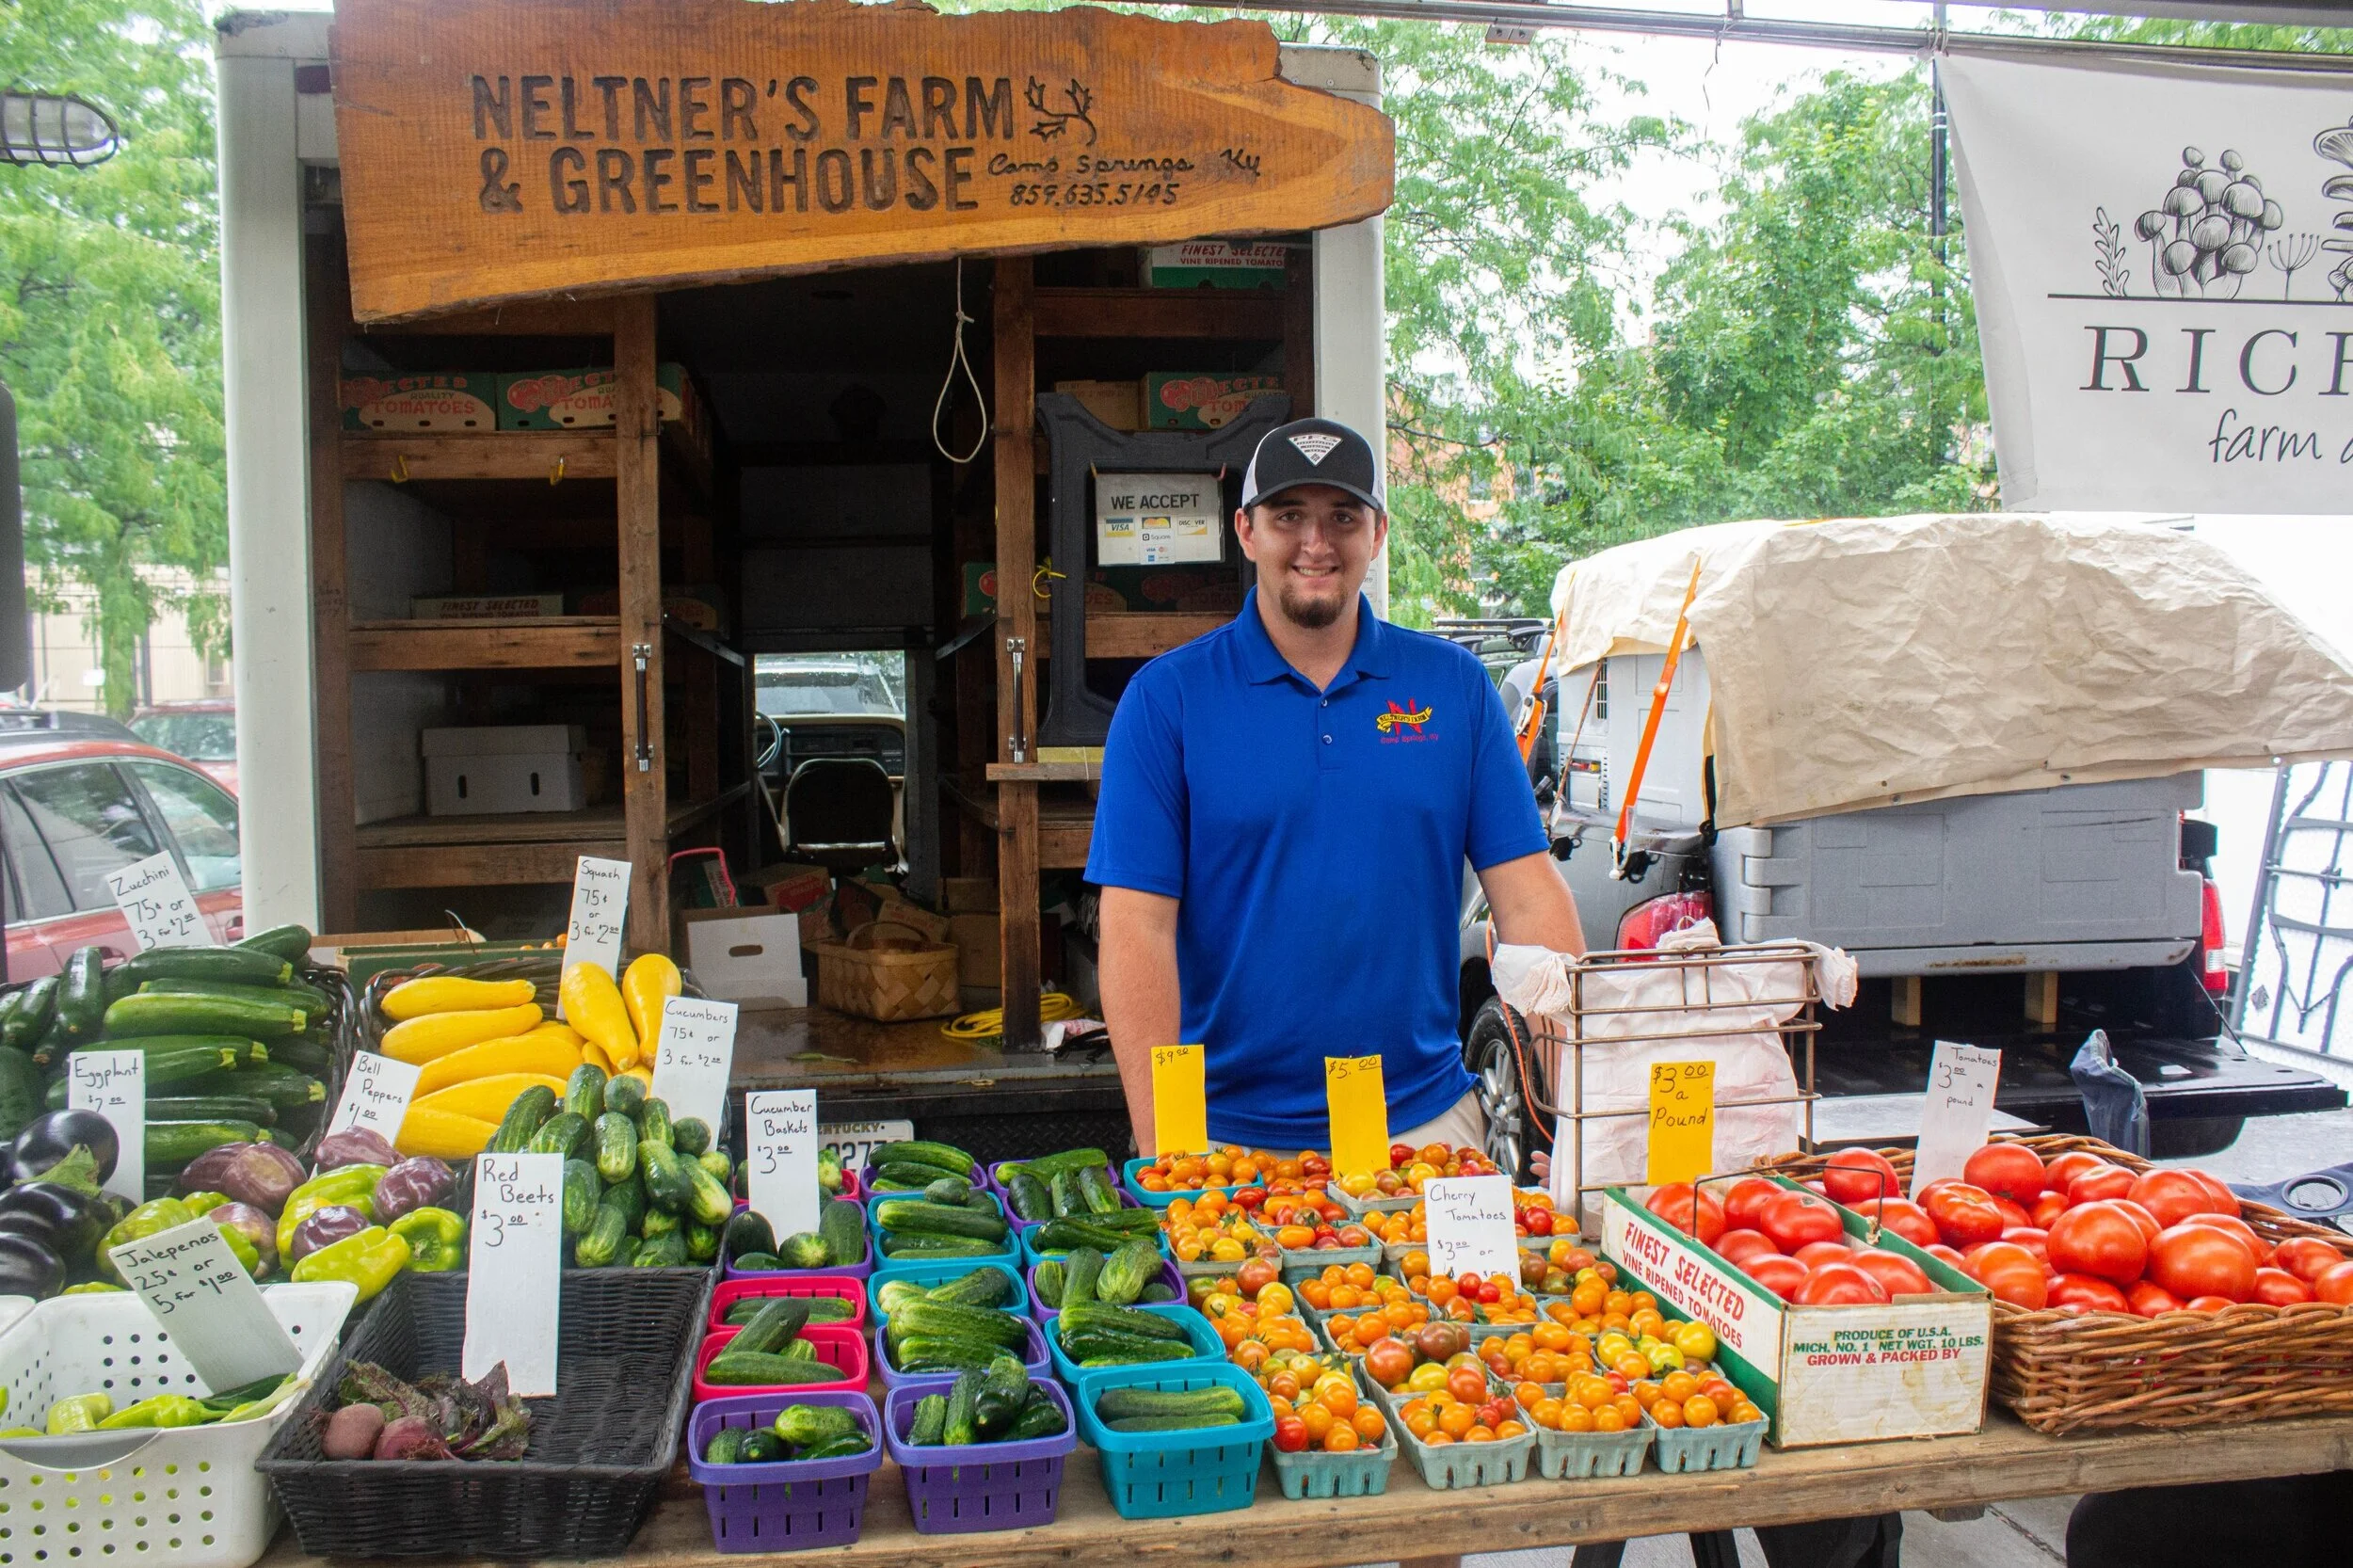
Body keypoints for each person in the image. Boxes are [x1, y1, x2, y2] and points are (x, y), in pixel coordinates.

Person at [1086, 415, 1585, 1159]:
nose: (1316, 544)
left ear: (1377, 533)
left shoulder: (1454, 690)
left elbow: (1529, 896)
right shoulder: (1168, 701)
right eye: (1290, 516)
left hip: (1423, 1125)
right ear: (1246, 531)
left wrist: (1577, 1106)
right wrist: (1171, 1150)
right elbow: (1136, 931)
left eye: (1342, 518)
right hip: (1226, 1139)